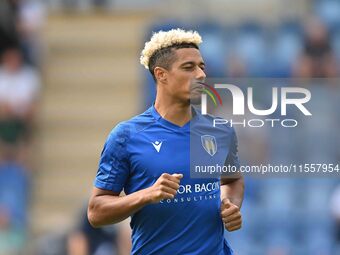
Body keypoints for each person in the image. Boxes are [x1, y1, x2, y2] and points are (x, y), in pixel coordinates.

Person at [88, 29, 244, 255]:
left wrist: (230, 205)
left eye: (202, 67)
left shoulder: (219, 130)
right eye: (189, 67)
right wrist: (147, 194)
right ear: (161, 74)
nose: (200, 75)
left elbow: (233, 180)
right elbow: (96, 212)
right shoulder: (127, 136)